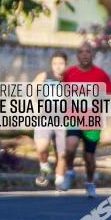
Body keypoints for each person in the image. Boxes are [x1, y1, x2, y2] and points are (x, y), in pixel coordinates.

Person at [60, 42, 111, 197]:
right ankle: (70, 172)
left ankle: (90, 182)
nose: (84, 55)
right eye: (81, 52)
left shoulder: (101, 74)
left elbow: (110, 95)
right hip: (74, 117)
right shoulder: (69, 73)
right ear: (77, 55)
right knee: (70, 147)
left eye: (87, 52)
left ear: (93, 55)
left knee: (89, 156)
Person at [33, 51, 68, 188]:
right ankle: (44, 166)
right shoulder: (44, 76)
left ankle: (59, 180)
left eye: (61, 63)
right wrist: (35, 107)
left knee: (63, 153)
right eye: (55, 63)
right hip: (45, 119)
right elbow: (32, 90)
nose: (58, 66)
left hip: (63, 121)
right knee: (42, 149)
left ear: (66, 64)